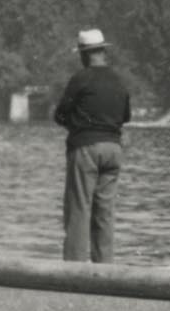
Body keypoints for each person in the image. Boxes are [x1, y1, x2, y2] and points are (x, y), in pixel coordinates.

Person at [52, 28, 131, 262]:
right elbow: (125, 116)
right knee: (104, 213)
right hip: (113, 150)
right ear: (103, 51)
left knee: (79, 209)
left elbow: (60, 115)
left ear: (84, 54)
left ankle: (74, 270)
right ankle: (104, 270)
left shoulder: (81, 78)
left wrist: (77, 127)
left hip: (86, 149)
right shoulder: (119, 80)